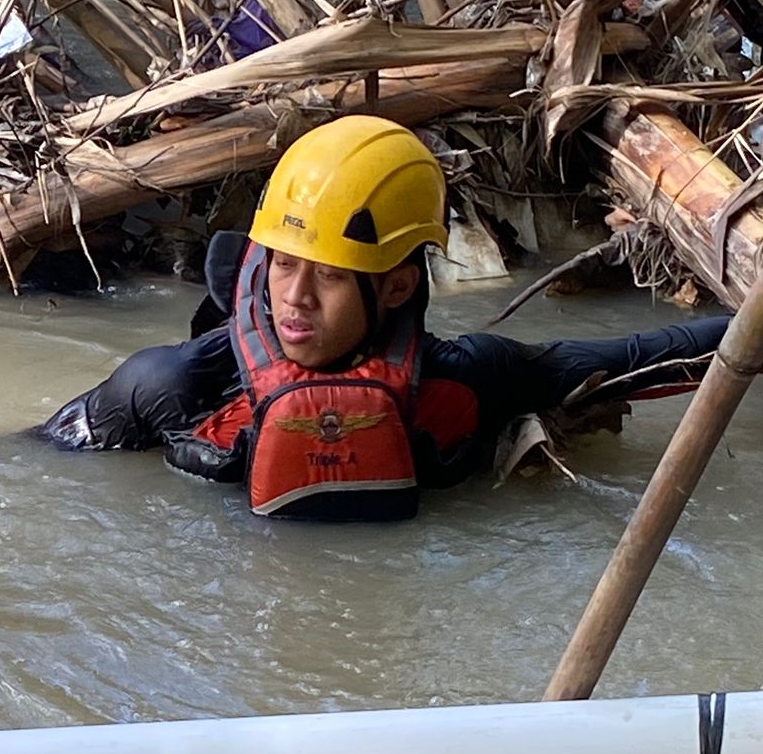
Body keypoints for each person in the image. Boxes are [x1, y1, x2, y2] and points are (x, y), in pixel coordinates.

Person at [39, 115, 730, 522]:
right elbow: (29, 473)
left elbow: (642, 354)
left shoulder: (461, 384)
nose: (295, 298)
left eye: (331, 275)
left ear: (397, 289)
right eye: (283, 266)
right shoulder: (171, 387)